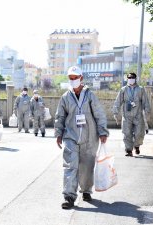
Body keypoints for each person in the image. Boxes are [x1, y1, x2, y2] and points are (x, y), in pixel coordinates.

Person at [54, 66, 109, 209]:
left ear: (81, 78)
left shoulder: (90, 95)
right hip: (70, 137)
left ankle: (85, 190)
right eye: (70, 78)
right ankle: (69, 196)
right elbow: (60, 116)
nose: (72, 81)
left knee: (86, 167)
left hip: (89, 138)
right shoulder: (65, 97)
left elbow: (99, 114)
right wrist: (58, 133)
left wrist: (102, 131)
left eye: (75, 78)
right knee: (70, 166)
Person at [113, 72, 151, 156]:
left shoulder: (141, 89)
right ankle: (129, 150)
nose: (131, 79)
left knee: (139, 133)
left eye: (132, 77)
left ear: (135, 78)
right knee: (127, 133)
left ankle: (137, 146)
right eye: (129, 78)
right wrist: (116, 113)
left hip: (138, 115)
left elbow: (145, 102)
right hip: (127, 116)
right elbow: (118, 101)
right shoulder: (123, 89)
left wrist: (147, 111)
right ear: (127, 79)